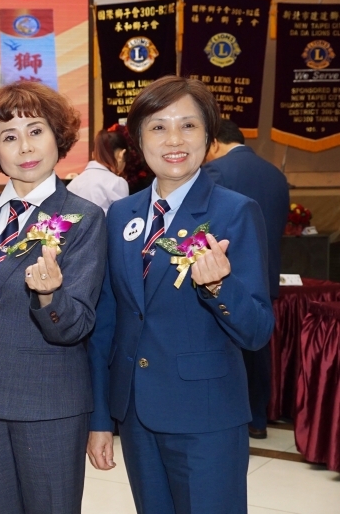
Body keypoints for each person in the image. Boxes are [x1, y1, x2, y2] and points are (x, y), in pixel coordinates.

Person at [87, 76, 274, 514]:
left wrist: (219, 287)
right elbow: (107, 323)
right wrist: (100, 418)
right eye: (158, 127)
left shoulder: (235, 212)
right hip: (136, 413)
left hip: (206, 415)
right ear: (138, 140)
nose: (174, 140)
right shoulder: (122, 214)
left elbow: (258, 330)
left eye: (188, 126)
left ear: (208, 137)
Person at [0, 81, 107, 513]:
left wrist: (49, 297)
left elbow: (78, 324)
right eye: (9, 136)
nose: (25, 147)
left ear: (57, 137)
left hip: (49, 405)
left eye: (36, 131)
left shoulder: (83, 218)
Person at [203, 119, 290, 440]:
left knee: (229, 353)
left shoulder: (216, 171)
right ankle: (258, 418)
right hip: (266, 274)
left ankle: (234, 418)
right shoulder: (276, 174)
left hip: (226, 280)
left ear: (213, 142)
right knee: (260, 350)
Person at [67, 126, 129, 213]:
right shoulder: (116, 183)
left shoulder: (73, 184)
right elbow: (122, 217)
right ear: (121, 154)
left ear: (94, 154)